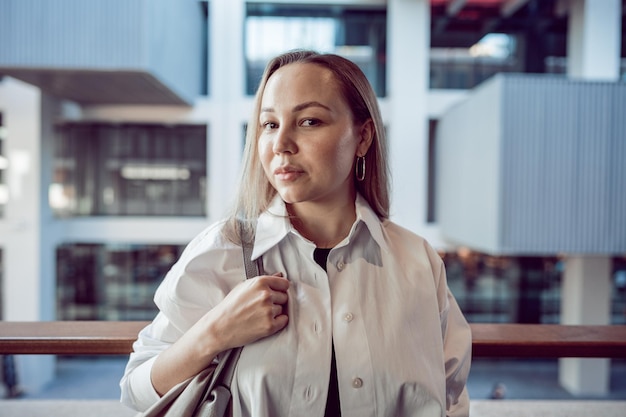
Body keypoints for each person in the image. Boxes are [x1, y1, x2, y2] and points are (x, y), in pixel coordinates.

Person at [120, 50, 472, 417]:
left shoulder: (418, 262)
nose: (281, 144)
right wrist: (216, 330)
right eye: (269, 124)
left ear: (363, 136)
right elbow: (137, 390)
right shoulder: (222, 250)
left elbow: (451, 396)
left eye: (309, 121)